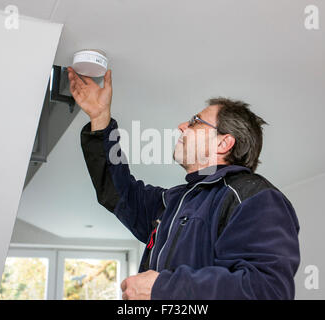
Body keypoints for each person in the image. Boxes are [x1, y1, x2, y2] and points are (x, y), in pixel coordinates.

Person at [68, 67, 300, 300]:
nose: (182, 126)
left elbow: (268, 290)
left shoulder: (255, 198)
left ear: (224, 143)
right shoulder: (174, 203)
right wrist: (100, 119)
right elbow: (118, 192)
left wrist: (163, 289)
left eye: (195, 122)